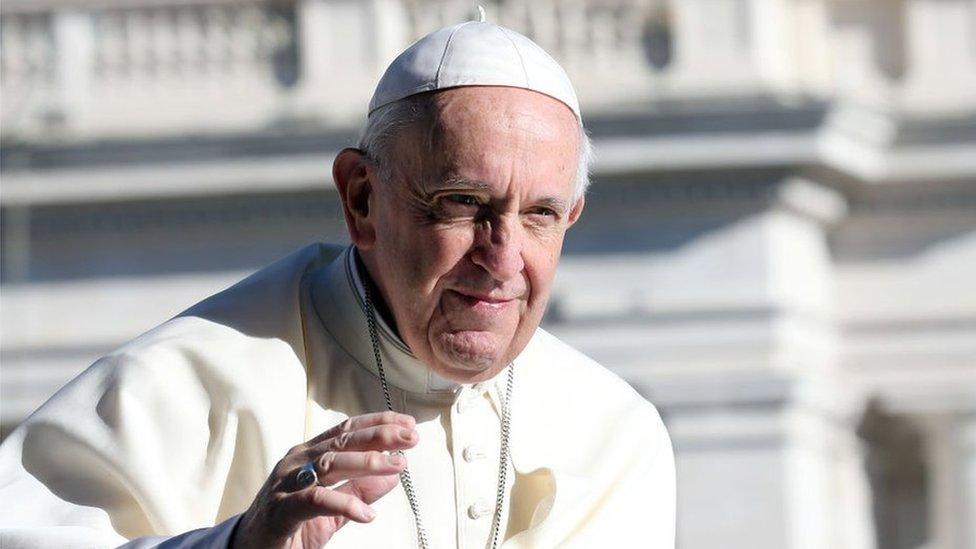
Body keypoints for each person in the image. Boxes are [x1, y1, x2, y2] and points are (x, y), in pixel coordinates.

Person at [0, 19, 675, 549]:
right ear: (361, 200)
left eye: (539, 215)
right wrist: (237, 544)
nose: (501, 259)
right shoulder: (187, 380)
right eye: (462, 202)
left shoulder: (617, 434)